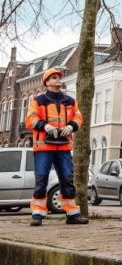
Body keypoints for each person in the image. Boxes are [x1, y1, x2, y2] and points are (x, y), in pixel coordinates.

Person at [24, 67, 88, 225]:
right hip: (44, 147)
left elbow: (78, 117)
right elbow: (30, 119)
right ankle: (37, 215)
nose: (58, 79)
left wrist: (72, 126)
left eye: (58, 77)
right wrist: (45, 126)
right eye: (53, 77)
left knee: (67, 178)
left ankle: (72, 214)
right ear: (46, 82)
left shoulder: (70, 101)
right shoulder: (38, 101)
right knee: (41, 179)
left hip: (64, 147)